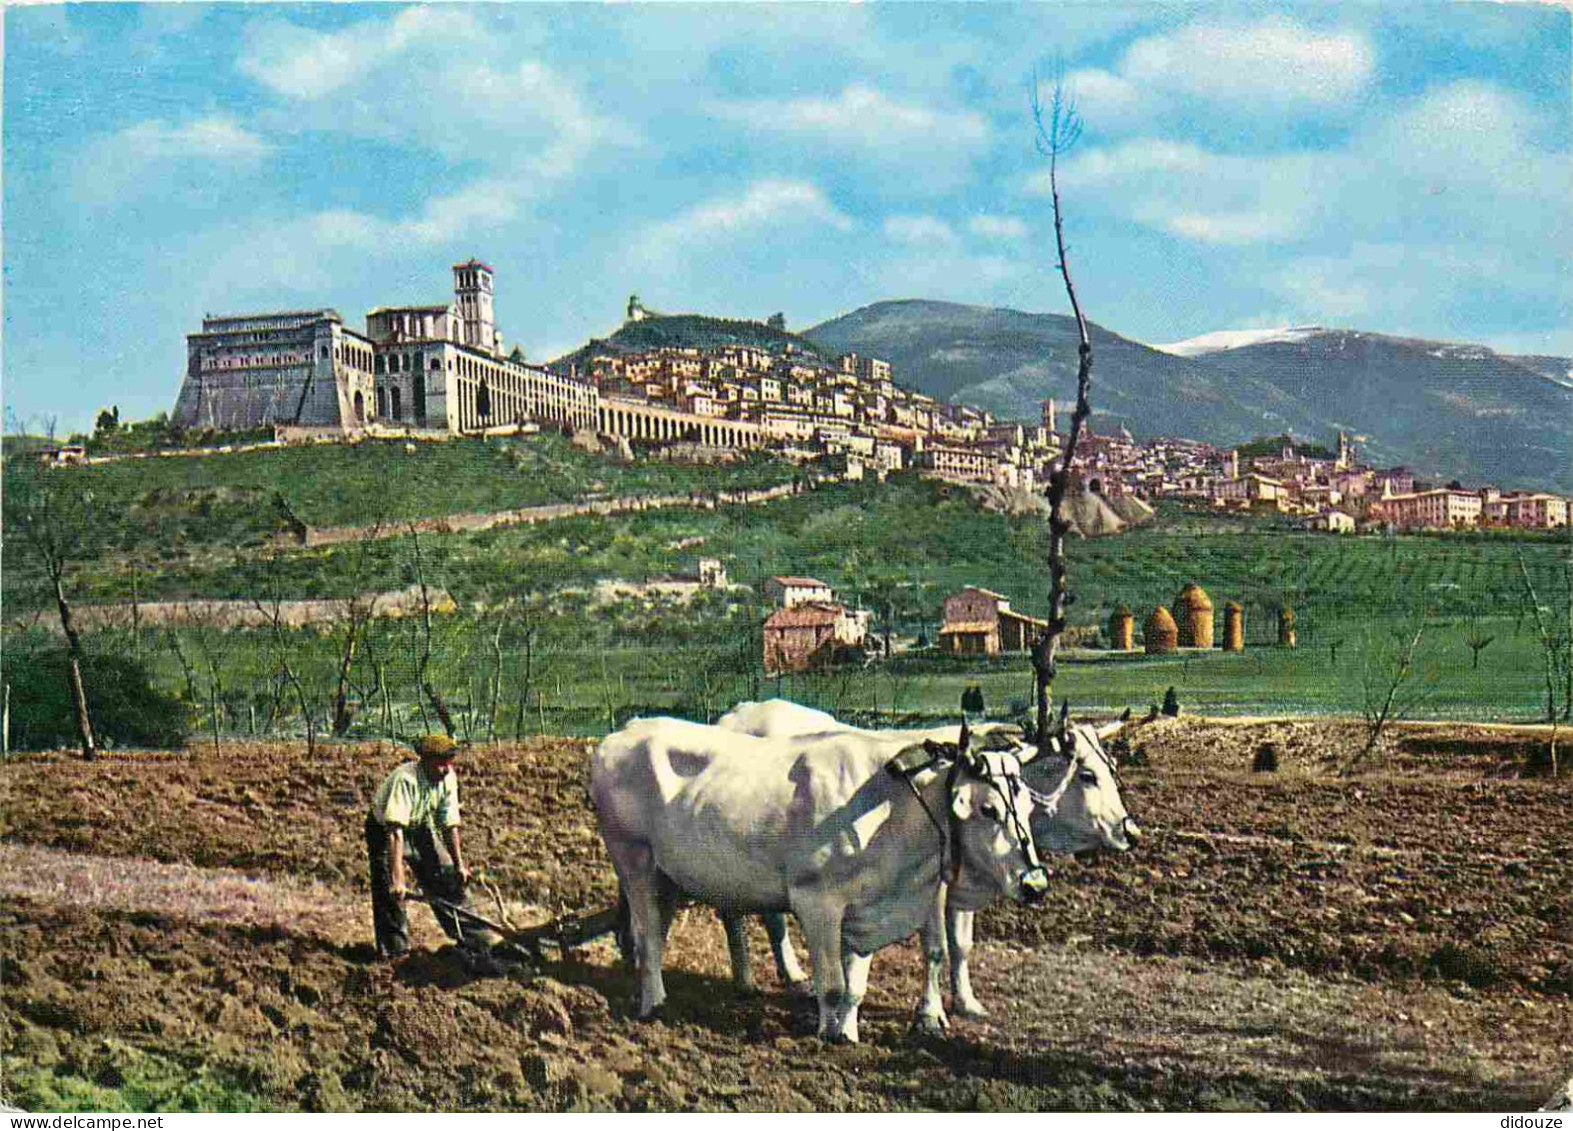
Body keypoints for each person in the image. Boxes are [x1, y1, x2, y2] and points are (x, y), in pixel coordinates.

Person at [365, 734, 472, 959]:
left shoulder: (448, 778)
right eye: (441, 764)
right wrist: (398, 880)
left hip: (420, 824)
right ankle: (395, 953)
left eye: (449, 763)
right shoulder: (406, 779)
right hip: (385, 830)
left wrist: (459, 865)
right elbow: (395, 833)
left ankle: (474, 937)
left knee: (447, 875)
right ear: (425, 761)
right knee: (389, 892)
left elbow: (449, 824)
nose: (445, 769)